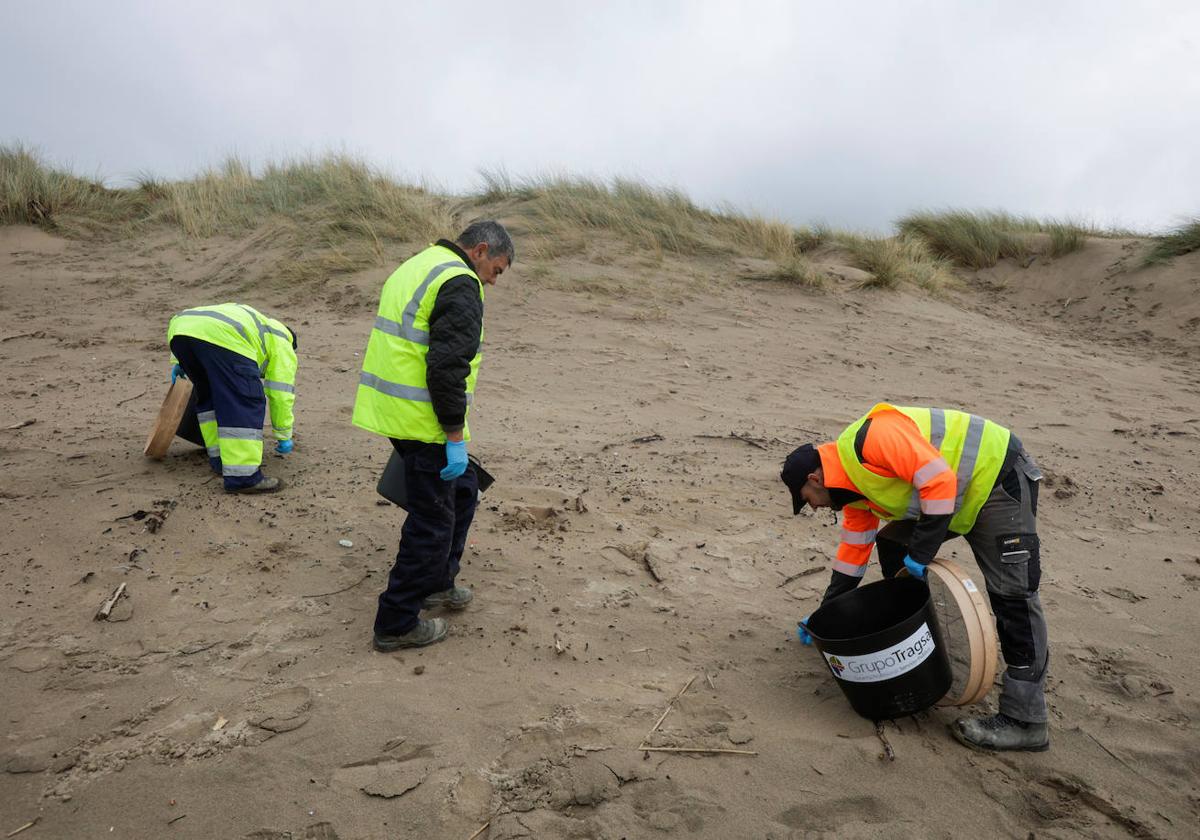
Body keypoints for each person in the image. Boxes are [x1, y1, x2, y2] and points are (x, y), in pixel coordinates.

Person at [780, 402, 1049, 752]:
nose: (813, 507)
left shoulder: (870, 438)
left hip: (996, 476)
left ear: (814, 479)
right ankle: (923, 650)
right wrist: (824, 615)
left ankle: (1025, 720)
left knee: (1013, 596)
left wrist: (920, 559)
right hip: (956, 498)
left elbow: (939, 480)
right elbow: (851, 558)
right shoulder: (855, 496)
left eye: (807, 499)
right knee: (892, 544)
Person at [352, 220, 514, 651]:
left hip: (397, 412)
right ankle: (396, 622)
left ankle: (439, 582)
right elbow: (446, 368)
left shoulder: (422, 263)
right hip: (423, 422)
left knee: (463, 491)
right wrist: (454, 435)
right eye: (496, 270)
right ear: (480, 250)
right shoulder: (459, 282)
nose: (494, 281)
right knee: (432, 522)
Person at [167, 303, 297, 494]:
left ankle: (219, 460)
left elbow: (205, 326)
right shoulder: (283, 342)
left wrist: (179, 360)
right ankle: (243, 477)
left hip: (180, 328)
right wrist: (284, 435)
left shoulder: (257, 324)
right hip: (224, 339)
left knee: (209, 395)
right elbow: (281, 394)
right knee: (243, 400)